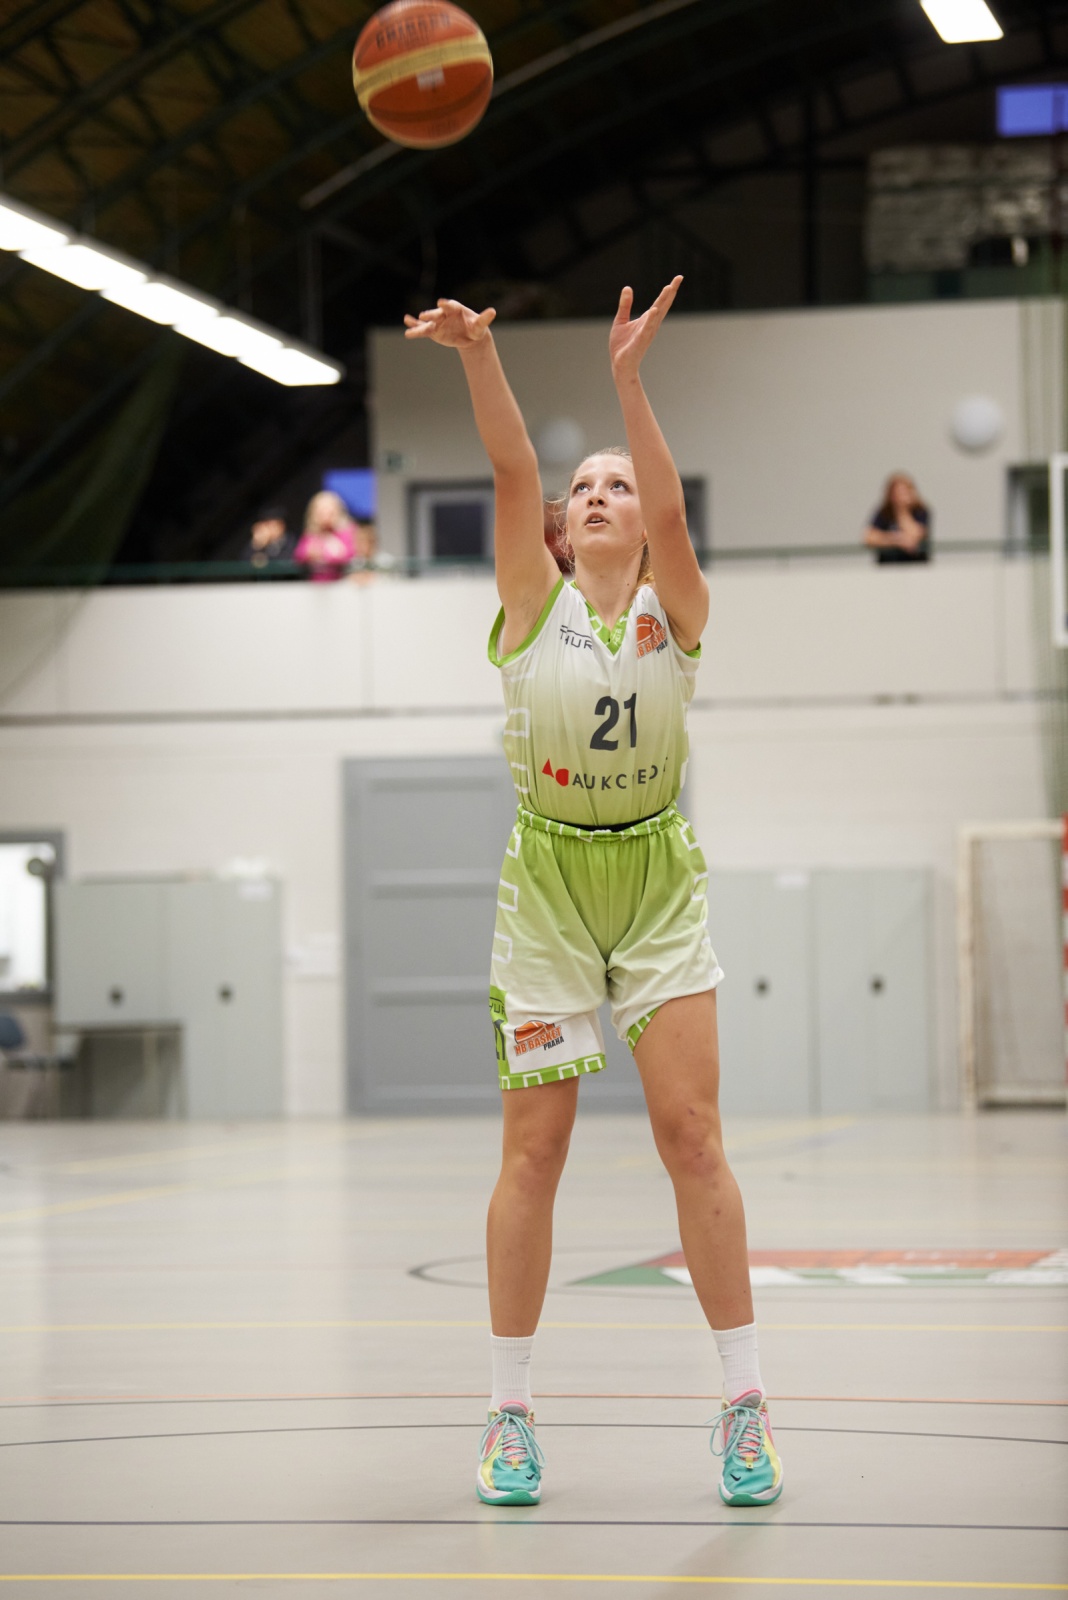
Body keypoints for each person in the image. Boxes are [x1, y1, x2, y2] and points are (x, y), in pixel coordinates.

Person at [403, 280, 784, 1512]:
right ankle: (509, 1413)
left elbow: (672, 507)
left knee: (693, 1138)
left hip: (657, 885)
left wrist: (629, 382)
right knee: (536, 1151)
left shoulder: (681, 614)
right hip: (551, 891)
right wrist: (479, 355)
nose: (602, 494)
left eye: (618, 482)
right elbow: (513, 470)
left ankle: (744, 1402)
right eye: (587, 489)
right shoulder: (533, 607)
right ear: (564, 532)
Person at [863, 473, 931, 563]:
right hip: (888, 564)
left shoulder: (920, 511)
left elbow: (916, 535)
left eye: (904, 492)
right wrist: (896, 540)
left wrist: (901, 511)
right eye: (896, 493)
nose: (900, 497)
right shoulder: (884, 512)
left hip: (915, 564)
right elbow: (869, 538)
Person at [294, 490, 356, 581]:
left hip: (343, 583)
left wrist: (326, 555)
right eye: (321, 513)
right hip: (316, 585)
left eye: (329, 512)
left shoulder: (347, 530)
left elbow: (350, 556)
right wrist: (309, 554)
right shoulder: (311, 534)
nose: (325, 516)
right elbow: (299, 556)